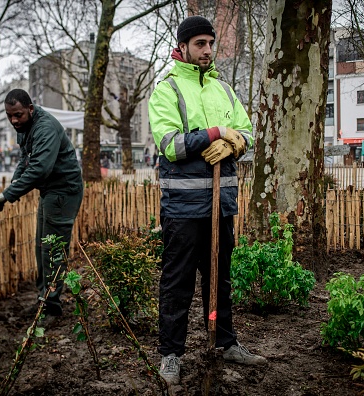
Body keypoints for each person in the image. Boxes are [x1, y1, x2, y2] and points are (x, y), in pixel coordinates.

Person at [148, 15, 266, 385]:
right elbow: (170, 145)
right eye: (200, 44)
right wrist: (214, 133)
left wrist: (233, 141)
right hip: (183, 211)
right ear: (182, 47)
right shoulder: (166, 91)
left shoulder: (224, 90)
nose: (208, 51)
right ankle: (171, 355)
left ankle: (224, 342)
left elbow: (247, 132)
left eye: (211, 44)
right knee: (177, 282)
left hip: (221, 204)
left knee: (220, 280)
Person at [0, 89, 84, 320]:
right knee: (41, 247)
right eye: (10, 116)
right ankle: (44, 299)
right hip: (50, 190)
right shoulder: (25, 126)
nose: (14, 120)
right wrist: (12, 187)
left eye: (18, 114)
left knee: (52, 250)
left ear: (30, 109)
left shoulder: (45, 128)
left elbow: (40, 169)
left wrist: (8, 194)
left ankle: (52, 308)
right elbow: (25, 159)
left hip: (63, 192)